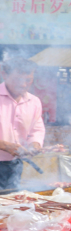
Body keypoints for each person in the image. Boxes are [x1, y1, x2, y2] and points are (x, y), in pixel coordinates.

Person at [0, 58, 45, 191]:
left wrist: (35, 143)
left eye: (28, 80)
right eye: (18, 79)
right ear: (4, 75)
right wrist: (4, 145)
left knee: (11, 203)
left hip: (14, 164)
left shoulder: (34, 101)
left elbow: (37, 128)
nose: (23, 85)